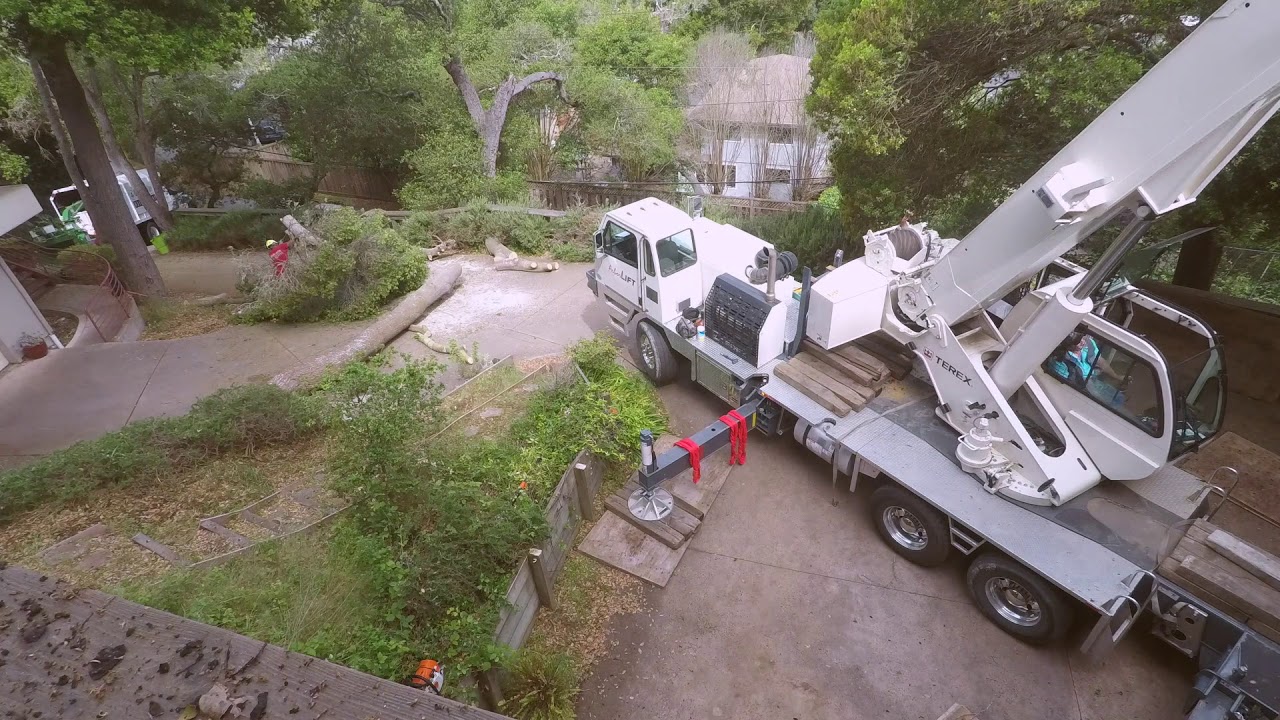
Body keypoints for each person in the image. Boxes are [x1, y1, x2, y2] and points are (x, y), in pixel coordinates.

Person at [1048, 333, 1126, 405]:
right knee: (1105, 405)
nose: (1082, 342)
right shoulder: (1060, 361)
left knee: (1119, 398)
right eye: (1077, 342)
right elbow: (1064, 387)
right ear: (1068, 345)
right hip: (1080, 388)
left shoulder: (1088, 343)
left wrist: (1116, 376)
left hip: (1094, 380)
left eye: (1081, 337)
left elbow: (1100, 361)